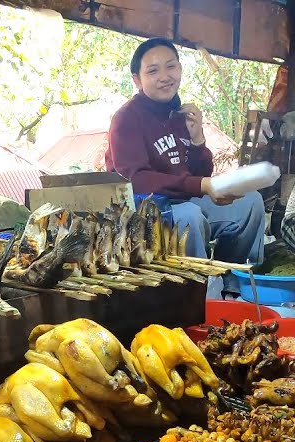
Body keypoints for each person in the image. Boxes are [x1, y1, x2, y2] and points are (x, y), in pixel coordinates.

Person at [105, 37, 265, 296]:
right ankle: (198, 297)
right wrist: (200, 185)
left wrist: (198, 139)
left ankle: (231, 283)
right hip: (145, 211)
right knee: (190, 215)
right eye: (153, 71)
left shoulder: (181, 115)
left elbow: (201, 175)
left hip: (183, 199)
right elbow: (136, 180)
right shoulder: (126, 119)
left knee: (250, 202)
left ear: (180, 68)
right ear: (137, 80)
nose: (165, 76)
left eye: (171, 66)